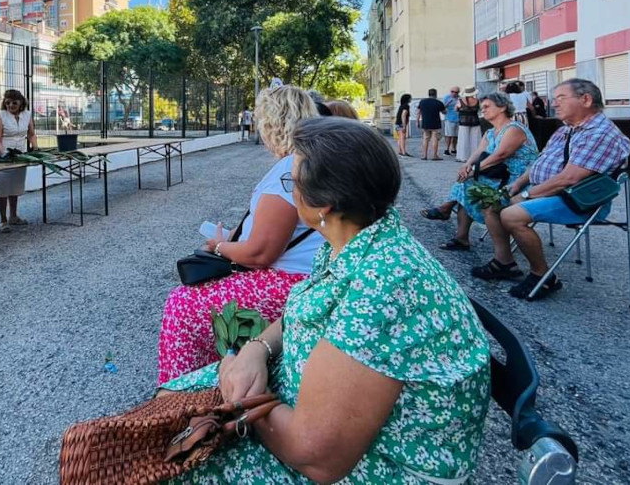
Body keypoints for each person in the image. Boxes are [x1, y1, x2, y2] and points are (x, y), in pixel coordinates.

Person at [156, 117, 491, 483]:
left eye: (292, 182)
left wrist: (243, 398)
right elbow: (301, 311)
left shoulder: (385, 285)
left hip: (374, 468)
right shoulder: (355, 239)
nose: (291, 190)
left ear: (325, 205)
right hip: (292, 403)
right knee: (165, 407)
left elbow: (315, 458)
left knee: (163, 462)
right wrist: (257, 350)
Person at [157, 86, 323, 385]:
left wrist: (220, 246)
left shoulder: (289, 168)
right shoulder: (307, 160)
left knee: (182, 304)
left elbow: (261, 254)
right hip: (304, 280)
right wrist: (235, 237)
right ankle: (209, 383)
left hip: (290, 283)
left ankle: (179, 397)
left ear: (273, 123)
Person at [475, 79, 630, 300]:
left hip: (577, 199)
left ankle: (543, 276)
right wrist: (517, 185)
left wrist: (526, 194)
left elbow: (569, 179)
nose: (554, 104)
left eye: (561, 98)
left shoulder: (600, 133)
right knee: (490, 203)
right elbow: (539, 163)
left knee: (511, 214)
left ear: (586, 100)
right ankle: (504, 262)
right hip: (548, 190)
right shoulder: (567, 130)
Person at [419, 92, 539, 252]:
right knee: (466, 181)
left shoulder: (514, 128)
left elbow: (500, 155)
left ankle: (448, 212)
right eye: (482, 107)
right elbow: (478, 152)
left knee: (469, 183)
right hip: (498, 176)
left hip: (518, 180)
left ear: (503, 107)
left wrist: (474, 170)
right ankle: (456, 229)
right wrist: (467, 165)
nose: (483, 110)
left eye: (487, 106)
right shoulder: (491, 132)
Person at [0, 89, 38, 232]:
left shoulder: (27, 115)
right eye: (8, 103)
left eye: (14, 102)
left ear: (21, 102)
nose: (11, 105)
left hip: (20, 154)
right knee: (3, 188)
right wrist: (3, 154)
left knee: (15, 186)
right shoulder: (1, 116)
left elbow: (31, 134)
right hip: (3, 155)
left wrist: (35, 148)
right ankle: (3, 220)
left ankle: (13, 216)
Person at [416, 88, 445, 160]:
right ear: (436, 94)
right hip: (435, 123)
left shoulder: (422, 102)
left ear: (428, 94)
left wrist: (417, 121)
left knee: (425, 138)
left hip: (425, 122)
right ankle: (434, 156)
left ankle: (424, 155)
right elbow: (444, 112)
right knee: (434, 138)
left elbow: (418, 112)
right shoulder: (438, 102)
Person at [455, 86, 483, 161]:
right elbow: (481, 110)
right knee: (475, 140)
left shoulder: (460, 101)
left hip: (463, 122)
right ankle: (475, 157)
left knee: (463, 140)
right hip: (475, 121)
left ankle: (463, 157)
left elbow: (456, 109)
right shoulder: (478, 100)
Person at [443, 86, 461, 156]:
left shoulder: (459, 98)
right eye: (452, 91)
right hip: (449, 118)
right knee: (449, 135)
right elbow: (443, 107)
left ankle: (454, 148)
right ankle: (447, 149)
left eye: (456, 92)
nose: (454, 93)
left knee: (456, 135)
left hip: (458, 118)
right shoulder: (447, 97)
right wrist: (448, 103)